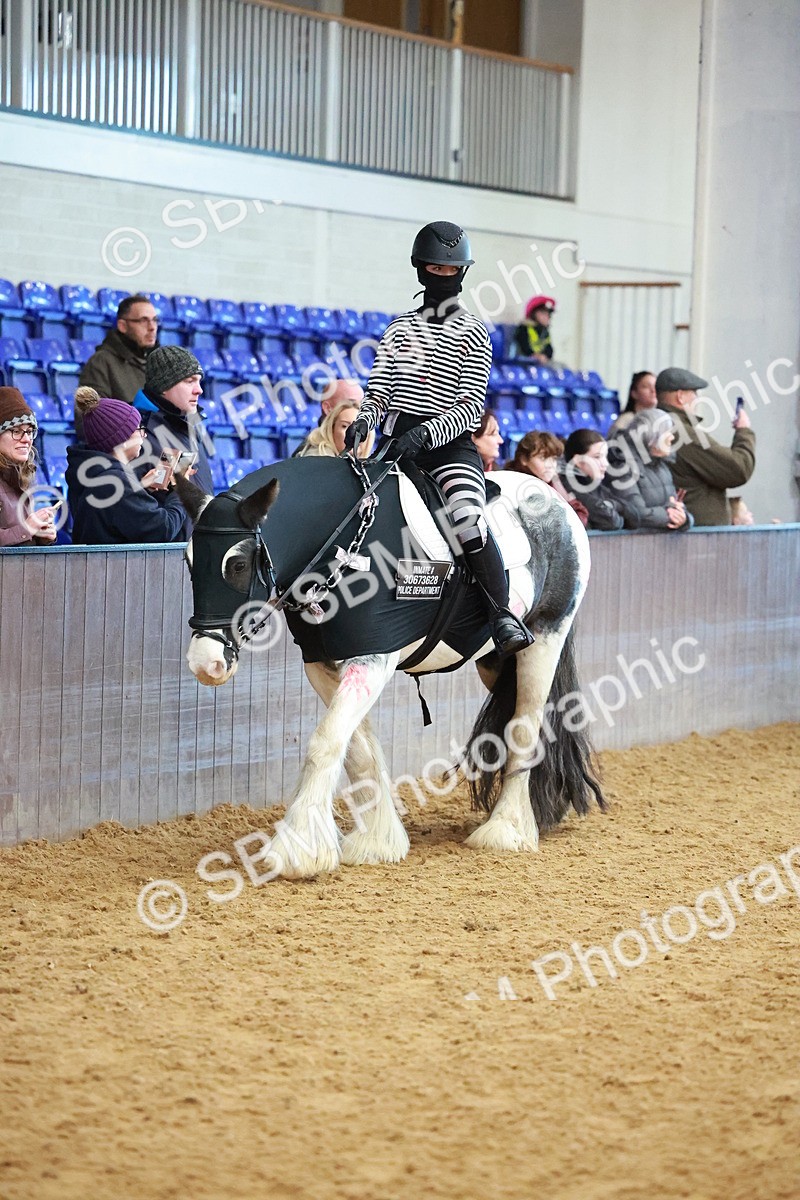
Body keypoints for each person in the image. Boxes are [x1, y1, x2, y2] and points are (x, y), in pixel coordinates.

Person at [344, 220, 534, 656]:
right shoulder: (397, 329)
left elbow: (470, 406)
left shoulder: (474, 330)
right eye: (435, 269)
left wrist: (426, 435)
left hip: (450, 448)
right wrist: (365, 420)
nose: (442, 277)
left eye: (450, 271)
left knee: (466, 517)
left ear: (462, 274)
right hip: (396, 445)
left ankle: (500, 612)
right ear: (420, 270)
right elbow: (380, 392)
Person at [66, 387, 187, 545]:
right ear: (121, 439)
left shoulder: (90, 474)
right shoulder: (115, 482)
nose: (144, 435)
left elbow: (113, 519)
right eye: (139, 429)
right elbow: (163, 529)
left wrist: (140, 487)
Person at [655, 367, 756, 526]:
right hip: (697, 539)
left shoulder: (655, 426)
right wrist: (744, 432)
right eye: (694, 393)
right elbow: (738, 469)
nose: (696, 399)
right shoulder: (683, 434)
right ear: (680, 396)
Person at [139, 346, 213, 538]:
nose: (199, 390)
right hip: (164, 557)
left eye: (199, 381)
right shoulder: (138, 431)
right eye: (189, 381)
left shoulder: (191, 425)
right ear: (164, 386)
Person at [612, 410, 693, 531]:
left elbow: (675, 506)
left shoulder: (662, 466)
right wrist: (669, 515)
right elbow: (635, 513)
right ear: (650, 436)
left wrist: (685, 519)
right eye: (666, 432)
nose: (672, 437)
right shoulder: (623, 467)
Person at [0, 388, 57, 546]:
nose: (26, 439)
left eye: (30, 431)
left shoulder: (22, 475)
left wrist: (41, 535)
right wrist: (27, 529)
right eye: (16, 431)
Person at [79, 294, 159, 405]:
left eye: (155, 320)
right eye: (143, 320)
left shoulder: (159, 364)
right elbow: (91, 415)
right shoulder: (101, 363)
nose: (152, 327)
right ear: (122, 326)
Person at [504, 430, 589, 527]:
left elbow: (580, 516)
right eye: (543, 458)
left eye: (553, 459)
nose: (550, 465)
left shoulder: (552, 482)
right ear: (524, 459)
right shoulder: (514, 486)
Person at [561, 428, 639, 531]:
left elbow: (635, 518)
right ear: (578, 461)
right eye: (597, 457)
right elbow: (610, 521)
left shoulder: (597, 486)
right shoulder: (567, 486)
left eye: (605, 457)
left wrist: (612, 504)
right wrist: (618, 514)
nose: (605, 463)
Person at [296, 399, 373, 458]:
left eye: (361, 428)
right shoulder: (317, 459)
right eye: (345, 426)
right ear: (331, 430)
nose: (354, 433)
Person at [609, 370, 657, 435]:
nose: (653, 390)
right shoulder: (625, 421)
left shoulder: (659, 419)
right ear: (634, 393)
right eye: (646, 386)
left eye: (655, 386)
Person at [513, 295, 555, 363]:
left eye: (548, 315)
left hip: (539, 363)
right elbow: (524, 347)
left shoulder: (544, 331)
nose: (546, 317)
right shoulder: (524, 328)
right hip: (525, 363)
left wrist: (545, 356)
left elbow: (549, 349)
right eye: (543, 313)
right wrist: (535, 355)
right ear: (533, 314)